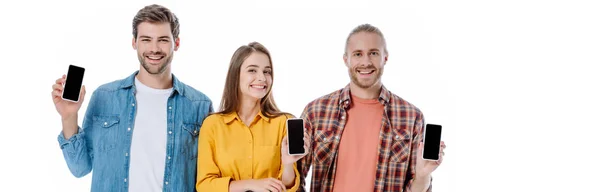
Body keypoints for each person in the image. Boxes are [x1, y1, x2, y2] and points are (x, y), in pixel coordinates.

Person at [51, 4, 213, 192]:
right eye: (146, 39)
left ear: (176, 43)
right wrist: (69, 116)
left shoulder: (200, 106)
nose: (154, 48)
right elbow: (79, 168)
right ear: (134, 42)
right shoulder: (104, 98)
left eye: (162, 40)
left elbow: (209, 178)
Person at [296, 24, 447, 192]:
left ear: (385, 58)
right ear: (346, 59)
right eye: (358, 54)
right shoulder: (316, 112)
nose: (366, 62)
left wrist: (423, 175)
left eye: (373, 53)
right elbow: (294, 181)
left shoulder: (411, 117)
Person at [196, 42, 308, 192]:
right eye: (252, 70)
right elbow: (204, 185)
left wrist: (288, 163)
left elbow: (287, 186)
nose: (262, 78)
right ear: (236, 75)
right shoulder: (213, 125)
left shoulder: (284, 122)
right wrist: (250, 184)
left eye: (267, 72)